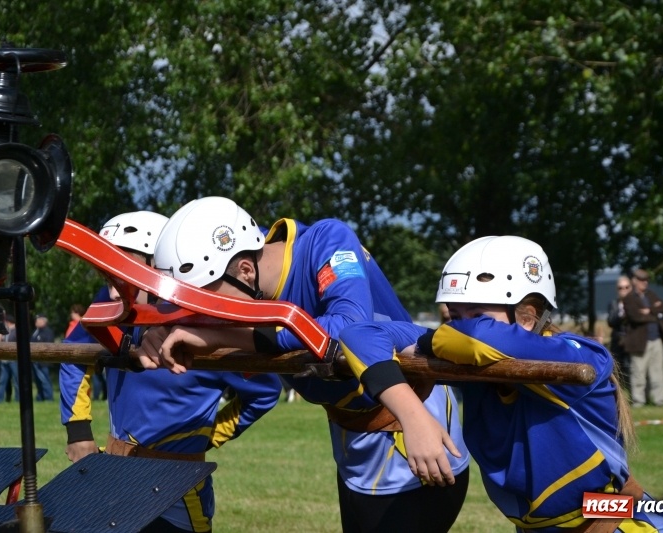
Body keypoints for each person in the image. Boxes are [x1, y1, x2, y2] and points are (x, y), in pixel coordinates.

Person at [136, 196, 470, 533]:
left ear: (246, 271)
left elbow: (348, 327)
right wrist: (157, 329)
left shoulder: (328, 241)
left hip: (412, 427)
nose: (210, 316)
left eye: (211, 304)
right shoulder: (234, 259)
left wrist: (224, 336)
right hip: (353, 439)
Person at [339, 235, 663, 532]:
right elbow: (358, 335)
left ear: (527, 316)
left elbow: (478, 338)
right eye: (454, 316)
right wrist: (413, 416)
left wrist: (431, 342)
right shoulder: (471, 360)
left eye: (476, 314)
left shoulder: (579, 357)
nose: (457, 327)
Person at [60, 210, 282, 533]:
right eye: (108, 278)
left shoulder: (207, 325)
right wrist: (78, 431)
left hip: (178, 493)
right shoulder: (113, 305)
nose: (113, 292)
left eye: (122, 275)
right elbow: (73, 355)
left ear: (157, 268)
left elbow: (265, 392)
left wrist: (206, 435)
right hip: (114, 473)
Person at [622, 268, 663, 407]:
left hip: (656, 339)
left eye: (646, 280)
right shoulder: (629, 298)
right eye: (642, 280)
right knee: (638, 372)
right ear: (634, 281)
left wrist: (649, 311)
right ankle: (638, 401)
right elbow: (635, 317)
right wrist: (654, 314)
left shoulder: (651, 294)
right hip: (639, 341)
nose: (645, 283)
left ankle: (660, 400)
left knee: (658, 372)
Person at [606, 275, 632, 393]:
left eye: (626, 287)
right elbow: (611, 321)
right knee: (617, 369)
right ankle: (617, 393)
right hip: (617, 340)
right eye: (620, 288)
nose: (624, 290)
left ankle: (635, 395)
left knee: (633, 369)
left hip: (632, 340)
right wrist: (621, 314)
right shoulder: (614, 304)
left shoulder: (636, 303)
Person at [0, 315, 19, 403]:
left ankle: (18, 399)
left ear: (8, 322)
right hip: (5, 360)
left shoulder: (16, 331)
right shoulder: (5, 332)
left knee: (16, 381)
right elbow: (1, 343)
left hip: (14, 360)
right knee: (2, 381)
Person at [31, 314, 55, 401]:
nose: (36, 322)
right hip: (35, 360)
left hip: (43, 361)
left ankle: (48, 397)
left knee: (45, 380)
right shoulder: (36, 331)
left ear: (43, 321)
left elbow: (48, 345)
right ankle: (40, 396)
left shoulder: (47, 332)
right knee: (38, 380)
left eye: (38, 320)